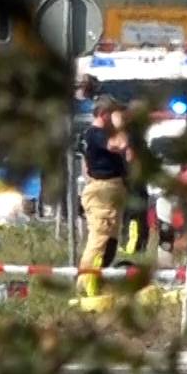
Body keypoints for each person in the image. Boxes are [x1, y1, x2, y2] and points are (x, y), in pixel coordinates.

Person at [76, 97, 128, 298]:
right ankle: (85, 283)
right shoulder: (96, 133)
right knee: (100, 238)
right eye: (114, 114)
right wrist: (120, 125)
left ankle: (97, 280)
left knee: (110, 241)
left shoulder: (94, 134)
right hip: (103, 190)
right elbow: (120, 144)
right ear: (105, 115)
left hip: (108, 188)